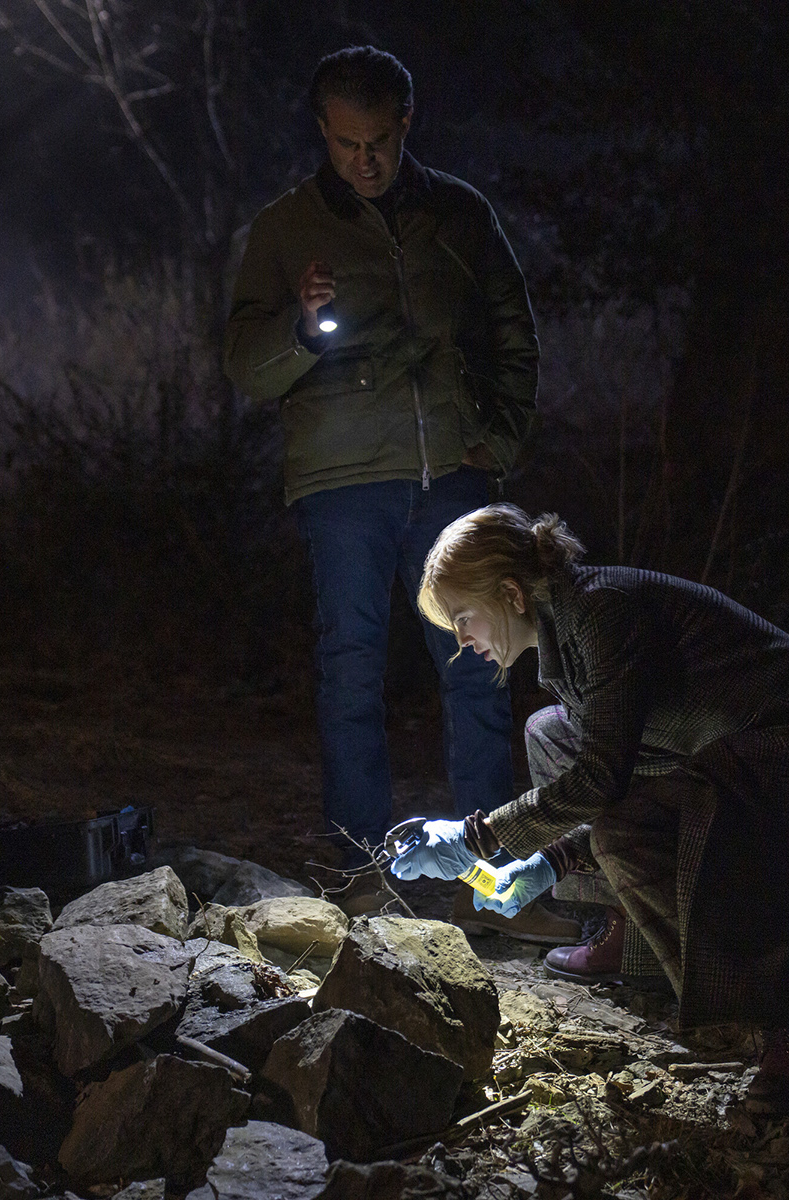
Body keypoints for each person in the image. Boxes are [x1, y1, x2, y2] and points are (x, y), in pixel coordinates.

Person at [223, 46, 576, 945]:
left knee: (479, 671)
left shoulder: (457, 212)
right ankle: (359, 879)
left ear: (406, 123)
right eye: (347, 144)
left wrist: (498, 440)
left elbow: (514, 331)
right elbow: (247, 368)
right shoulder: (286, 228)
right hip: (344, 482)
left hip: (451, 475)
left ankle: (491, 886)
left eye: (379, 140)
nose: (365, 160)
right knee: (351, 669)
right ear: (322, 132)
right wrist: (304, 330)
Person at [391, 504, 789, 1115]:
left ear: (511, 594)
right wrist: (546, 865)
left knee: (629, 825)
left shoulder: (602, 611)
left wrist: (477, 837)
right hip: (719, 751)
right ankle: (640, 943)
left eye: (463, 618)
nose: (462, 641)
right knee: (556, 739)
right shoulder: (568, 628)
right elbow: (617, 771)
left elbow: (601, 780)